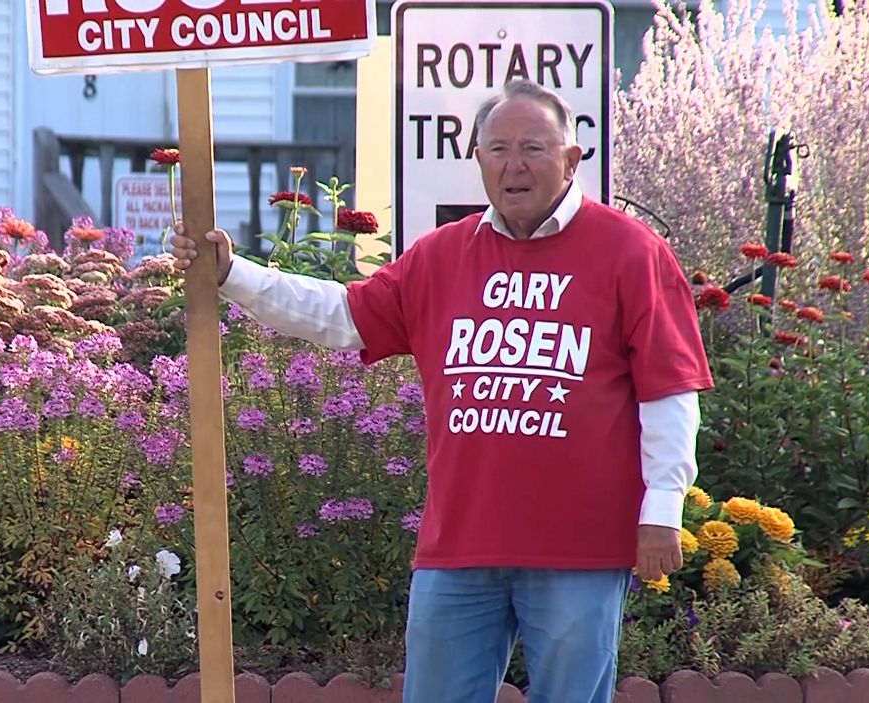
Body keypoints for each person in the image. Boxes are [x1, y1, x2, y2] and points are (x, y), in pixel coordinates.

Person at [169, 79, 713, 703]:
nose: (514, 164)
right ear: (477, 159)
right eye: (498, 148)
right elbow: (342, 316)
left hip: (580, 549)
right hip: (460, 546)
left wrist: (661, 510)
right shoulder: (443, 256)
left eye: (533, 148)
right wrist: (232, 274)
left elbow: (669, 392)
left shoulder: (631, 253)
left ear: (571, 159)